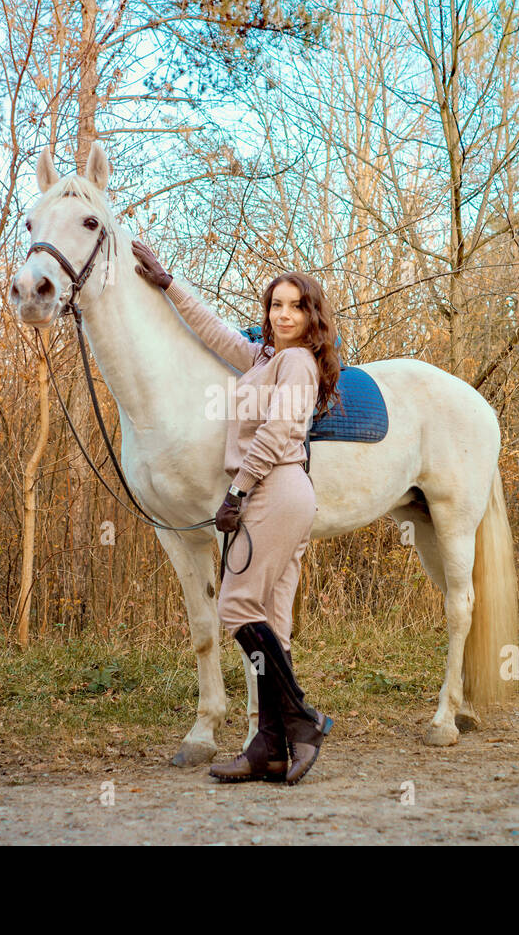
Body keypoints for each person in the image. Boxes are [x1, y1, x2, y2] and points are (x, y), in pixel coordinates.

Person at [131, 239, 341, 785]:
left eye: (296, 306)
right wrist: (169, 283)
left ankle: (303, 718)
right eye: (276, 305)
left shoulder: (296, 363)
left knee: (235, 607)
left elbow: (279, 432)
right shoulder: (267, 358)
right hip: (276, 492)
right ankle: (269, 748)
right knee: (270, 620)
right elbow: (218, 334)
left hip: (274, 489)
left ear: (311, 314)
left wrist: (236, 491)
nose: (285, 314)